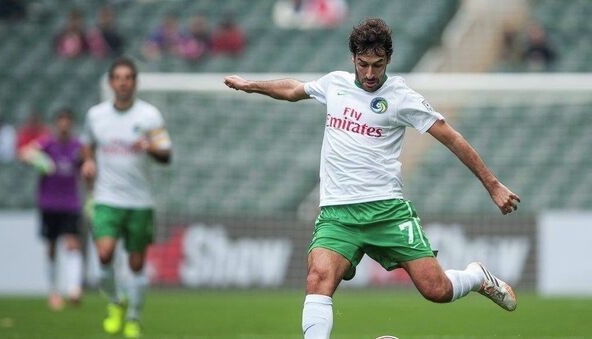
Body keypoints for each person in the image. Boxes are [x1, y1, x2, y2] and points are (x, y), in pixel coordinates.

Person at [224, 18, 520, 339]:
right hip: (337, 214)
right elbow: (294, 89)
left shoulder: (401, 96)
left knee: (436, 290)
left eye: (377, 65)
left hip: (386, 212)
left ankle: (476, 276)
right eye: (363, 64)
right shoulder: (334, 84)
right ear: (353, 58)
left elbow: (450, 136)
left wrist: (492, 184)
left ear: (388, 60)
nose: (369, 74)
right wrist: (251, 85)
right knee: (318, 279)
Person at [81, 57, 172, 339]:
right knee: (104, 254)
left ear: (135, 82)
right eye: (118, 77)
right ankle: (115, 302)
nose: (123, 82)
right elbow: (87, 145)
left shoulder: (149, 116)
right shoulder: (96, 115)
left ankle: (134, 316)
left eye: (128, 77)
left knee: (136, 264)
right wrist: (88, 162)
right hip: (107, 199)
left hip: (140, 202)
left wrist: (149, 146)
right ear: (110, 83)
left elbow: (166, 153)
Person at [21, 109, 84, 310]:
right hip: (49, 203)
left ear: (71, 124)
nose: (64, 125)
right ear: (57, 124)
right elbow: (24, 153)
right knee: (51, 247)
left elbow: (88, 165)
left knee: (73, 243)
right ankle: (53, 291)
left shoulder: (77, 146)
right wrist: (41, 161)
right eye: (61, 121)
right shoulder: (47, 143)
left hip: (71, 202)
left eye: (67, 121)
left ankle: (74, 289)